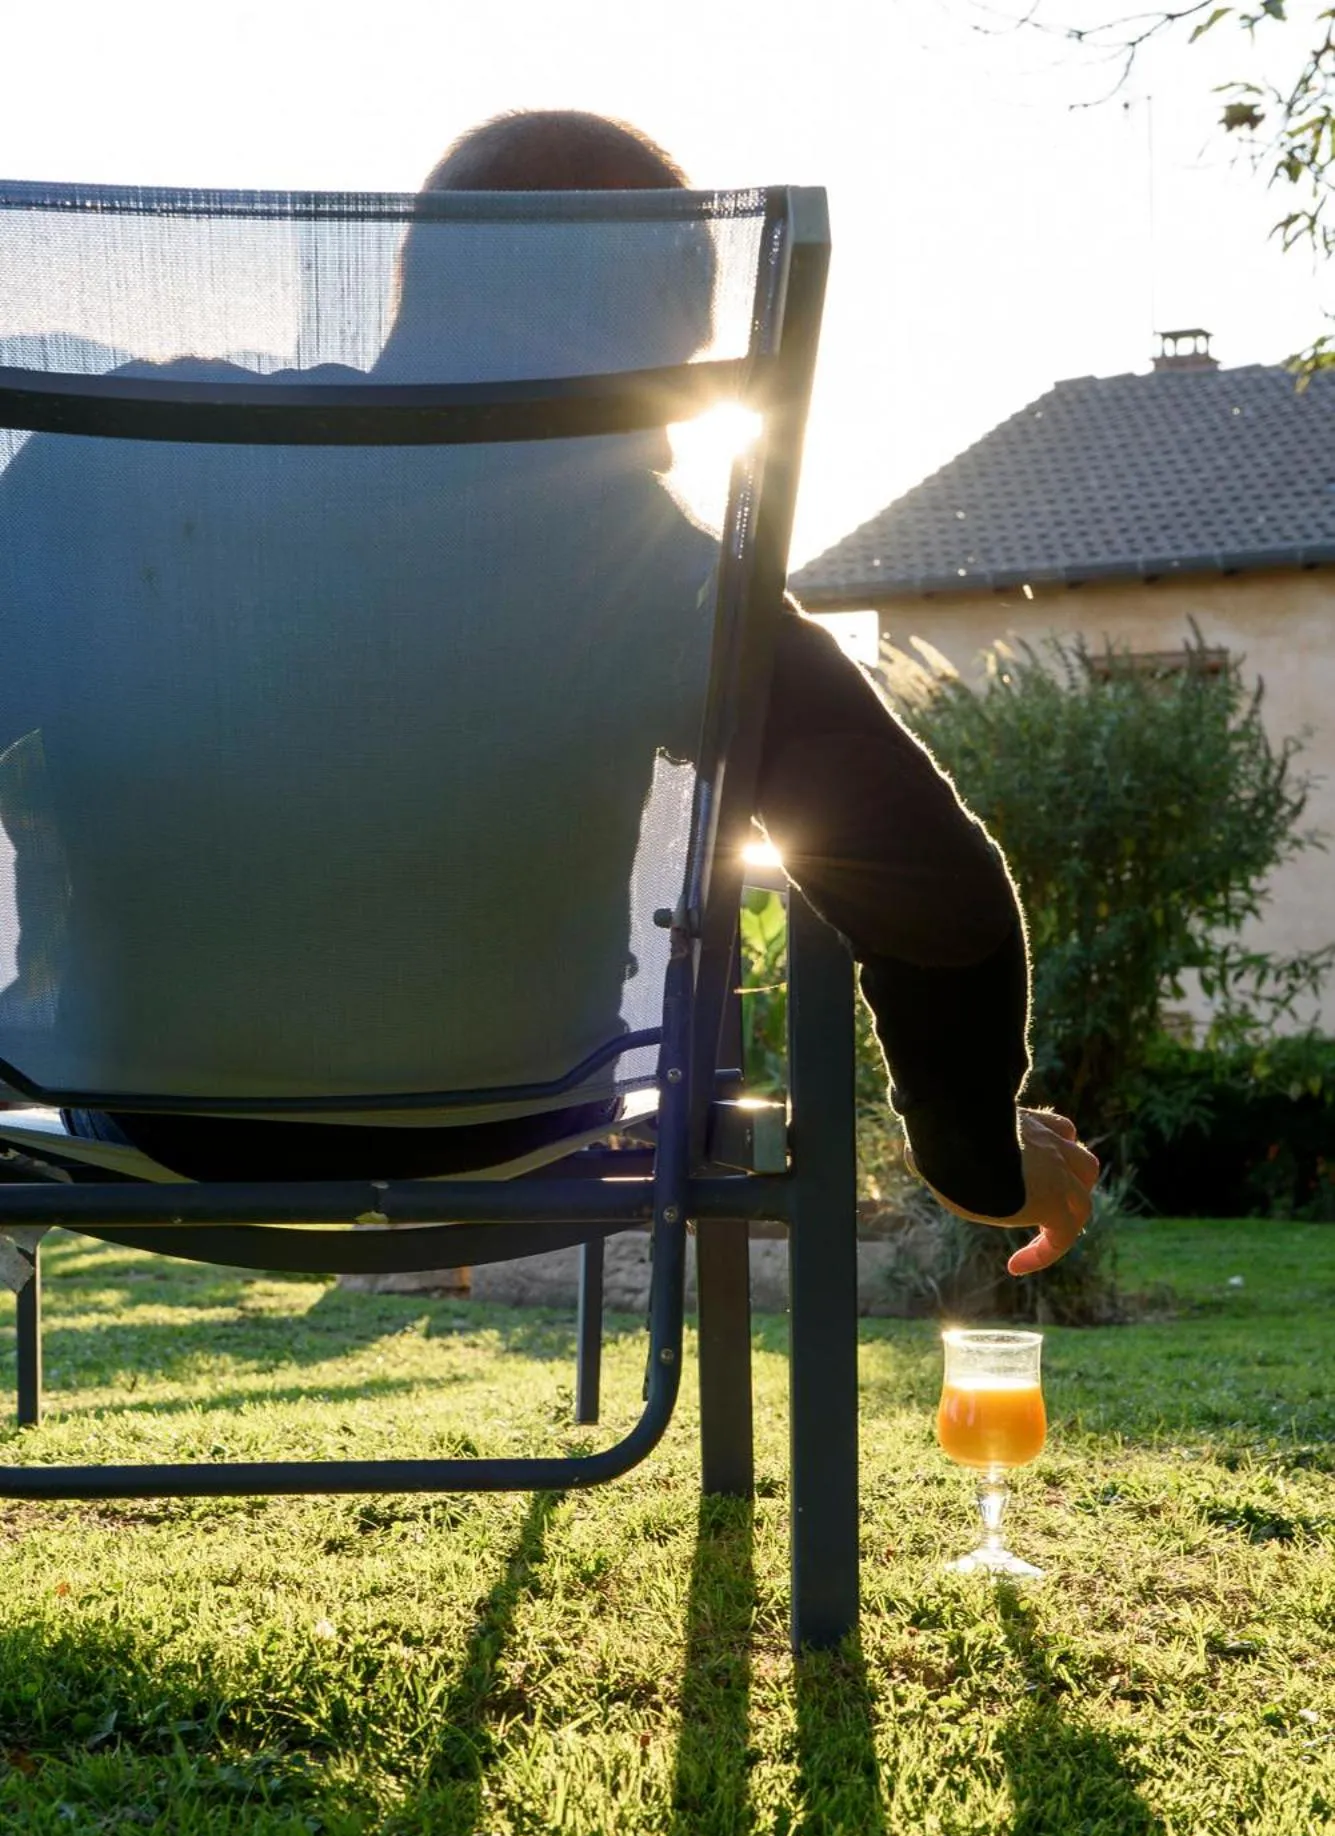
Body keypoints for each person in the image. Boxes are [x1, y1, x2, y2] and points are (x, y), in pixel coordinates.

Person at [5, 109, 1098, 1275]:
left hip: (146, 1119)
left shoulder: (112, 463)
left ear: (409, 279)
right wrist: (975, 1146)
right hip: (521, 1127)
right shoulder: (652, 572)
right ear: (675, 351)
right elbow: (932, 888)